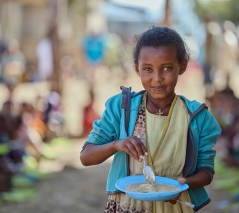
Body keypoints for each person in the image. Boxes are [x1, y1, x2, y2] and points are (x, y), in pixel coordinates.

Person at [80, 26, 221, 213]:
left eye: (167, 68)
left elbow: (206, 171)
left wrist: (183, 185)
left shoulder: (197, 117)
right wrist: (116, 145)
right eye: (148, 69)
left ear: (183, 66)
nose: (157, 78)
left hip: (174, 207)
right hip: (128, 206)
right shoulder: (122, 109)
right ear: (137, 69)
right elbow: (86, 156)